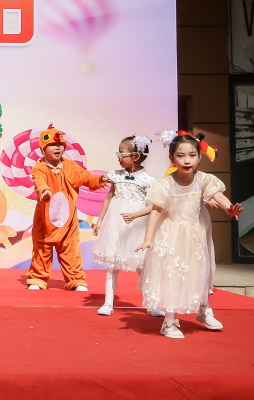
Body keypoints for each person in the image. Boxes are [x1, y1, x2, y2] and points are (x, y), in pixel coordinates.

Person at [137, 131, 243, 339]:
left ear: (199, 157)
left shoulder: (204, 180)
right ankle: (169, 322)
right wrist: (148, 239)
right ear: (171, 158)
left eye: (192, 155)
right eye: (181, 155)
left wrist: (229, 208)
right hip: (171, 235)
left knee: (199, 271)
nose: (187, 160)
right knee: (172, 275)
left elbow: (217, 195)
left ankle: (204, 310)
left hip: (196, 234)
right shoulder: (165, 185)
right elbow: (156, 211)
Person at [27, 124, 110, 291]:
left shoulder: (70, 167)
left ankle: (76, 280)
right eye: (52, 145)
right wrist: (44, 190)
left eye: (60, 145)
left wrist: (96, 180)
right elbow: (39, 180)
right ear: (43, 149)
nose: (57, 148)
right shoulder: (40, 167)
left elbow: (85, 177)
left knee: (71, 251)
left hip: (68, 222)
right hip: (45, 222)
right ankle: (37, 279)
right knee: (42, 250)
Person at [91, 135, 159, 316]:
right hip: (116, 224)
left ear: (135, 156)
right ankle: (108, 303)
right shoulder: (116, 176)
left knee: (142, 266)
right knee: (113, 265)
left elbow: (153, 205)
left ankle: (152, 304)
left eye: (121, 153)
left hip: (137, 226)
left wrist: (135, 215)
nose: (118, 156)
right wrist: (100, 220)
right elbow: (109, 197)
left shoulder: (147, 180)